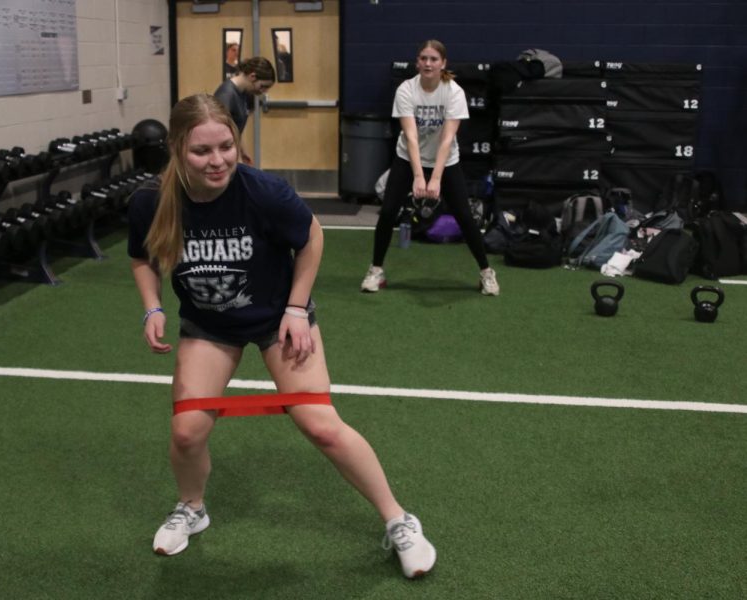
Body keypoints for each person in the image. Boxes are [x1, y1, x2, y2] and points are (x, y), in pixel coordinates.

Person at [128, 93, 436, 579]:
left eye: (226, 146)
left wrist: (296, 308)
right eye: (201, 151)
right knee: (187, 431)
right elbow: (142, 257)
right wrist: (152, 307)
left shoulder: (262, 190)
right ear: (175, 148)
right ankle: (192, 507)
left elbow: (311, 237)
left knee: (320, 424)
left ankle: (399, 519)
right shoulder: (151, 200)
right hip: (209, 324)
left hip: (277, 317)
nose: (218, 161)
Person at [361, 40, 500, 296]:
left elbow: (447, 139)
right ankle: (376, 270)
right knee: (389, 210)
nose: (428, 63)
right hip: (408, 158)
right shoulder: (406, 89)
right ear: (417, 62)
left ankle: (486, 272)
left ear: (443, 63)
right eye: (423, 58)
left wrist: (435, 178)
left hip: (446, 161)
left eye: (433, 59)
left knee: (465, 216)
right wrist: (417, 175)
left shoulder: (453, 92)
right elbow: (411, 136)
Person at [212, 57, 275, 165]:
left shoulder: (244, 93)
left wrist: (242, 151)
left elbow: (235, 128)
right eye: (263, 86)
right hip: (222, 157)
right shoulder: (226, 95)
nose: (264, 91)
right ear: (252, 77)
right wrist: (236, 159)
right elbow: (218, 135)